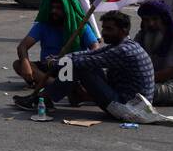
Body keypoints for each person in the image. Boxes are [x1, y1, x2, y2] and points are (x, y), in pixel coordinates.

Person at [15, 10, 154, 116]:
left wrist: (57, 63)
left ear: (124, 30)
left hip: (129, 108)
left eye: (109, 29)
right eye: (104, 28)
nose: (104, 33)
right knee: (77, 64)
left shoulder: (123, 50)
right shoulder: (122, 44)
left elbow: (89, 60)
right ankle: (49, 97)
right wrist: (60, 58)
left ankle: (42, 98)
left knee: (79, 67)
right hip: (127, 100)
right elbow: (90, 53)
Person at [12, 0, 101, 86]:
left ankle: (54, 85)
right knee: (18, 64)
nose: (54, 11)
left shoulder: (80, 25)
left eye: (58, 8)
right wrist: (25, 63)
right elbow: (23, 46)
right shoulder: (43, 25)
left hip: (71, 67)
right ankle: (55, 84)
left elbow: (95, 48)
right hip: (49, 67)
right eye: (52, 8)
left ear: (67, 10)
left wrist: (78, 60)